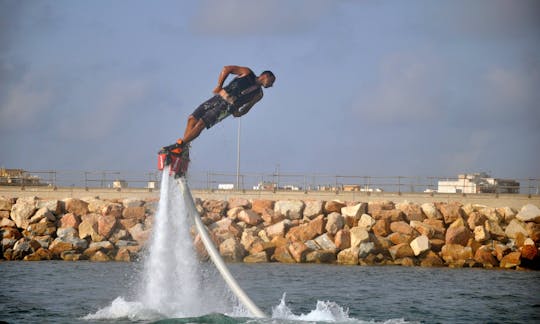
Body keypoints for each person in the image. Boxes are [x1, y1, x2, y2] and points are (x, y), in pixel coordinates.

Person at [163, 65, 275, 153]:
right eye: (271, 82)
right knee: (191, 119)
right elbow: (227, 68)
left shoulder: (259, 94)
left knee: (201, 124)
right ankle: (183, 149)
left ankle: (179, 145)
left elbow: (248, 107)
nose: (271, 85)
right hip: (218, 98)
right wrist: (219, 85)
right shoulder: (247, 73)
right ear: (266, 76)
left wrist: (239, 113)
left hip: (226, 108)